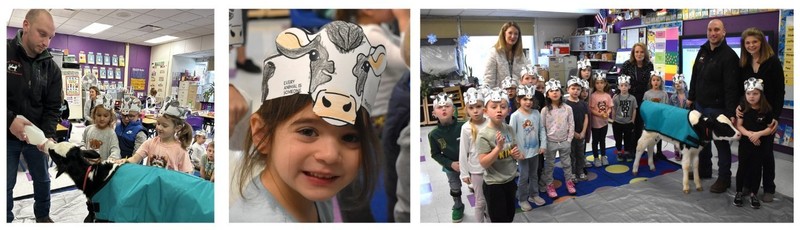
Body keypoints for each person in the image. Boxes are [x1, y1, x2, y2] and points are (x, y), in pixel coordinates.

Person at [229, 21, 382, 222]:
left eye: (350, 137)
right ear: (262, 135)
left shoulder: (312, 191)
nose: (330, 155)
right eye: (308, 132)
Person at [7, 9, 60, 223]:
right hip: (6, 136)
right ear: (26, 25)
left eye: (50, 36)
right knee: (6, 183)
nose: (46, 42)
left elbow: (52, 107)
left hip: (37, 137)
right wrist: (9, 120)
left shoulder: (52, 69)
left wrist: (48, 135)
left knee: (43, 180)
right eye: (42, 34)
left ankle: (43, 217)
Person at [687, 19, 741, 193]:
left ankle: (724, 179)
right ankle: (704, 170)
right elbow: (695, 75)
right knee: (702, 141)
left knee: (722, 145)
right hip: (700, 105)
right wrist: (691, 97)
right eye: (710, 30)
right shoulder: (702, 51)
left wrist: (730, 112)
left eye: (716, 29)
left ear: (724, 32)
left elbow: (732, 87)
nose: (713, 33)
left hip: (718, 109)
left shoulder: (729, 56)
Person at [737, 27, 784, 202]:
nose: (751, 45)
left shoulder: (772, 62)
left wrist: (776, 118)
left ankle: (769, 188)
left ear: (761, 42)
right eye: (747, 43)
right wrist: (738, 107)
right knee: (749, 152)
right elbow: (740, 91)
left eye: (754, 42)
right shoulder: (744, 64)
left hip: (767, 115)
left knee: (765, 153)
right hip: (748, 115)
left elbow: (780, 92)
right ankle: (749, 184)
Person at [475, 88, 523, 222]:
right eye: (494, 107)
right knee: (499, 219)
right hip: (494, 185)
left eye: (503, 107)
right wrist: (498, 148)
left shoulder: (509, 129)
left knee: (510, 215)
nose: (499, 110)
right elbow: (484, 162)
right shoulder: (484, 134)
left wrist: (515, 154)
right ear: (485, 111)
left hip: (510, 180)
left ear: (509, 110)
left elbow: (514, 152)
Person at [117, 100, 194, 173]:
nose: (159, 128)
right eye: (158, 123)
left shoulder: (180, 150)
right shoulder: (150, 143)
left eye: (164, 126)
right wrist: (123, 161)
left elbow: (186, 174)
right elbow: (135, 159)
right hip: (151, 185)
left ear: (177, 128)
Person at [733, 78, 772, 209]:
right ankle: (738, 192)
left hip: (760, 145)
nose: (751, 96)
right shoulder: (743, 108)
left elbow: (770, 128)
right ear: (745, 94)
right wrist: (750, 134)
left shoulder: (766, 110)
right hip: (745, 145)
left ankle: (753, 194)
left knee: (757, 169)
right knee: (742, 168)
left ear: (761, 94)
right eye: (749, 93)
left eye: (755, 93)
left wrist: (759, 134)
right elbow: (739, 126)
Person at [427, 93, 466, 223]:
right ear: (434, 113)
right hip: (451, 166)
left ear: (453, 109)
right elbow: (435, 154)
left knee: (477, 183)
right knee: (454, 186)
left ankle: (481, 202)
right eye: (439, 107)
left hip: (469, 162)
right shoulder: (434, 134)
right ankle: (458, 205)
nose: (443, 109)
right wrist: (450, 164)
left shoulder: (464, 126)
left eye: (447, 106)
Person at [509, 85, 546, 212]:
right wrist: (517, 152)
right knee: (523, 177)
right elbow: (511, 135)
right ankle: (522, 198)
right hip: (522, 154)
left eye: (530, 99)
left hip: (535, 151)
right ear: (519, 100)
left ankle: (534, 194)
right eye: (525, 99)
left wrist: (543, 145)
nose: (528, 102)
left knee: (534, 174)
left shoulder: (536, 113)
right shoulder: (515, 116)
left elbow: (541, 129)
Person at [458, 87, 490, 222]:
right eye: (471, 108)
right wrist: (464, 173)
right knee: (480, 201)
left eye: (478, 106)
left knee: (491, 199)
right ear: (467, 109)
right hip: (476, 170)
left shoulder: (490, 122)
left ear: (484, 107)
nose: (475, 110)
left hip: (492, 168)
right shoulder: (465, 128)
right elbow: (463, 151)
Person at [540, 79, 576, 198]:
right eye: (551, 91)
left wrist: (569, 140)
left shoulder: (567, 108)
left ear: (561, 92)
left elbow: (571, 124)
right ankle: (549, 184)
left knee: (567, 164)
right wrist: (544, 143)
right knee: (549, 165)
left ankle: (569, 182)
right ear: (547, 94)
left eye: (556, 90)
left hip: (564, 141)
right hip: (551, 142)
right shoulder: (545, 110)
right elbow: (542, 127)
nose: (554, 93)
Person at [621, 43, 654, 156]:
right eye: (637, 52)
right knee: (629, 123)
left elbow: (650, 83)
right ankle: (628, 148)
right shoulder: (627, 65)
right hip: (629, 98)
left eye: (641, 52)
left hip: (643, 98)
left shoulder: (649, 65)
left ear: (645, 53)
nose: (639, 54)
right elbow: (621, 81)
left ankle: (638, 147)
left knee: (639, 124)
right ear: (633, 53)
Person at [484, 21, 531, 88]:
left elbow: (526, 75)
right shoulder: (494, 52)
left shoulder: (520, 54)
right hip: (500, 95)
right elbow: (489, 79)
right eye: (510, 33)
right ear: (504, 34)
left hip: (517, 95)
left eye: (516, 34)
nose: (513, 36)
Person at [564, 77, 589, 180]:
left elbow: (586, 118)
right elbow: (564, 121)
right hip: (570, 135)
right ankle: (572, 173)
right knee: (571, 154)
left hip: (581, 134)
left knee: (580, 154)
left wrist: (583, 131)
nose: (575, 91)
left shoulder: (583, 103)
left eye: (578, 89)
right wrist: (573, 133)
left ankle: (580, 171)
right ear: (567, 89)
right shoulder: (565, 104)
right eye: (573, 88)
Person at [611, 75, 638, 162]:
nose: (624, 87)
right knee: (618, 138)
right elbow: (613, 109)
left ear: (629, 87)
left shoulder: (632, 98)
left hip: (628, 123)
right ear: (619, 87)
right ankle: (619, 152)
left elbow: (634, 109)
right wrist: (613, 120)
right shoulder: (616, 98)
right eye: (622, 85)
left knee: (628, 139)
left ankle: (627, 152)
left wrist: (632, 120)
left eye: (626, 85)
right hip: (618, 122)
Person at [589, 73, 613, 167]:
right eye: (597, 83)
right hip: (596, 123)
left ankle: (603, 156)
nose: (599, 85)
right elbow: (591, 109)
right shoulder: (592, 96)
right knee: (595, 140)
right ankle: (596, 158)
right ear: (594, 84)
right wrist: (599, 114)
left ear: (605, 84)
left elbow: (610, 107)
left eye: (601, 83)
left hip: (604, 122)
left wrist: (607, 112)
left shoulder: (607, 95)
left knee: (603, 140)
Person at [643, 71, 668, 160]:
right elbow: (644, 106)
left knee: (659, 136)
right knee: (650, 136)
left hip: (660, 119)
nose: (656, 82)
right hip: (650, 119)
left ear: (661, 81)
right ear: (651, 82)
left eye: (658, 80)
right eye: (654, 80)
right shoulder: (647, 94)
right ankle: (651, 152)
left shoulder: (664, 94)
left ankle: (659, 151)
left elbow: (666, 106)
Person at [668, 74, 690, 161]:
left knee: (686, 136)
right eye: (676, 83)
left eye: (680, 82)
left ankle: (686, 152)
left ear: (684, 84)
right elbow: (670, 108)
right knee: (676, 137)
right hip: (677, 119)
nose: (678, 85)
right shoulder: (673, 97)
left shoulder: (689, 96)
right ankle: (677, 151)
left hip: (687, 119)